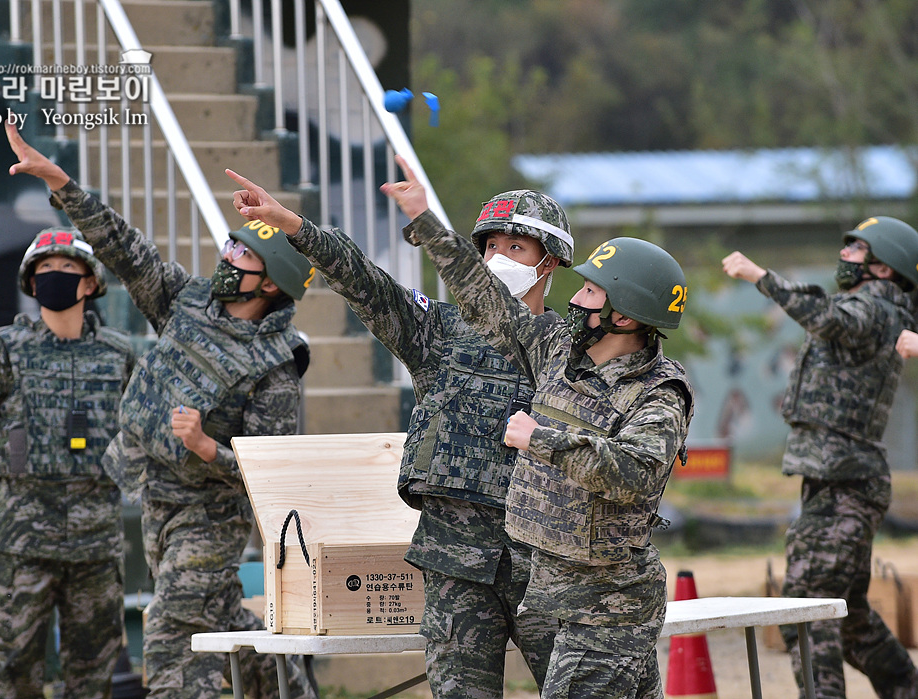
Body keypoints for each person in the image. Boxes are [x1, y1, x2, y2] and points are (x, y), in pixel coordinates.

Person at [3, 123, 318, 699]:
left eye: (243, 251)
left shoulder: (275, 367)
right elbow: (126, 250)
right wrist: (62, 185)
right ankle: (288, 688)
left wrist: (206, 449)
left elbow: (270, 474)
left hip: (210, 514)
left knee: (173, 631)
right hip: (155, 494)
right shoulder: (189, 302)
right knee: (220, 617)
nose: (228, 254)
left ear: (271, 282)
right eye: (231, 243)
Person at [226, 168, 568, 697]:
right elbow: (364, 281)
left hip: (546, 565)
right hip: (456, 566)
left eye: (516, 246)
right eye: (490, 245)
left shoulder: (570, 350)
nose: (498, 257)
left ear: (549, 260)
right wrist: (292, 225)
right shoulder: (439, 330)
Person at [377, 156, 693, 698]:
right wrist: (426, 223)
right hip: (561, 595)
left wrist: (537, 438)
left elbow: (636, 472)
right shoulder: (558, 352)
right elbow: (487, 302)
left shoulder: (660, 392)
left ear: (625, 314)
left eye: (591, 291)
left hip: (610, 606)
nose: (574, 297)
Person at [722, 215, 918, 699]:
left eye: (856, 250)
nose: (844, 255)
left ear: (884, 269)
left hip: (845, 484)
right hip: (838, 479)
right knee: (849, 618)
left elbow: (827, 318)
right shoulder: (877, 307)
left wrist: (759, 277)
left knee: (805, 610)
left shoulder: (873, 308)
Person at [0, 227, 135, 699]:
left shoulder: (118, 356)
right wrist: (11, 492)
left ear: (91, 282)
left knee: (93, 675)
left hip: (96, 543)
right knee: (15, 671)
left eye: (67, 269)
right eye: (44, 270)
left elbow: (138, 436)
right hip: (23, 541)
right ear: (31, 283)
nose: (54, 277)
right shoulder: (2, 354)